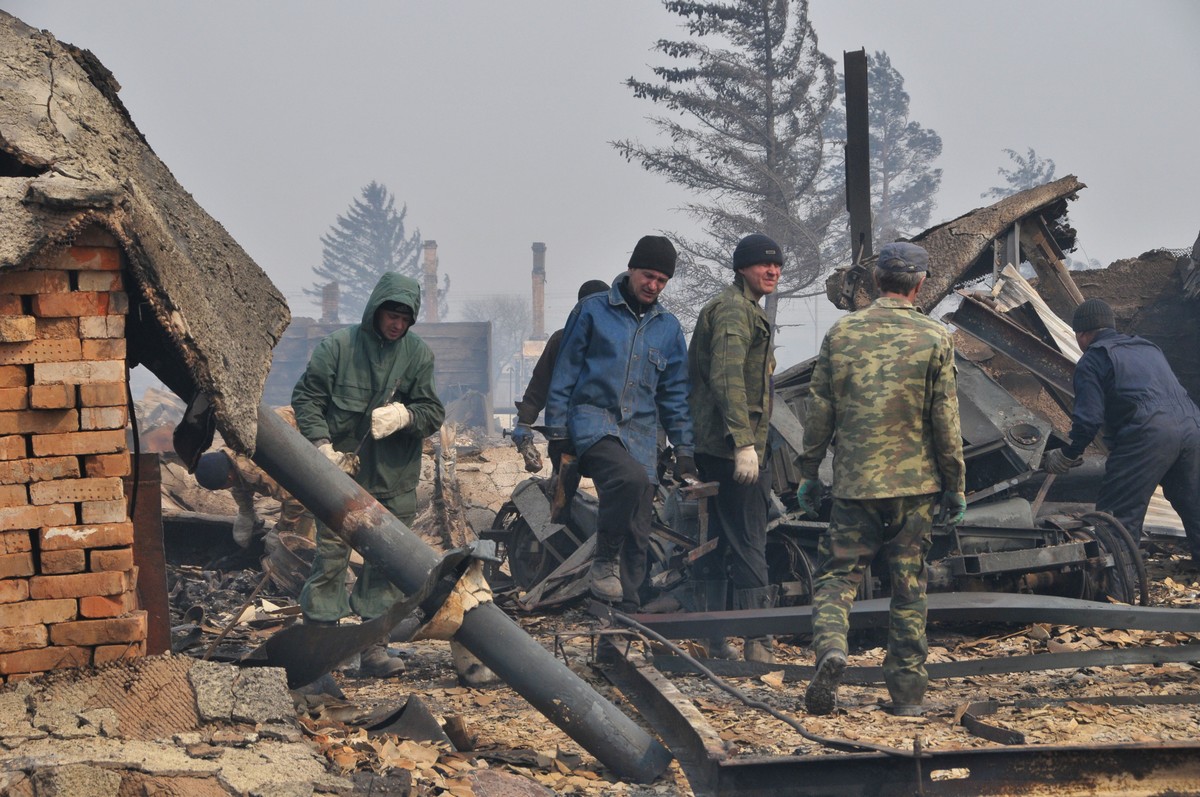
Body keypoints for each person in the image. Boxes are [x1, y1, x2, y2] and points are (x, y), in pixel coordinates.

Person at [795, 241, 965, 717]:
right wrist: (956, 485)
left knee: (836, 579)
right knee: (910, 589)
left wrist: (809, 473)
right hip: (915, 489)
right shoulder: (935, 336)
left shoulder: (843, 333)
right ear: (921, 283)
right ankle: (908, 696)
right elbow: (945, 421)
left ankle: (831, 650)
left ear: (874, 282)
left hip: (854, 485)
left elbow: (819, 410)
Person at [291, 272, 446, 678]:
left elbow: (432, 412)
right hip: (340, 474)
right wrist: (322, 445)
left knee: (385, 564)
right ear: (375, 311)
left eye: (404, 318)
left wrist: (405, 415)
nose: (396, 324)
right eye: (391, 315)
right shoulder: (338, 348)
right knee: (329, 559)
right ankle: (319, 648)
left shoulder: (417, 356)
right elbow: (307, 397)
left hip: (394, 478)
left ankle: (373, 649)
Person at [544, 235, 696, 609]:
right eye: (648, 275)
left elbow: (674, 395)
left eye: (662, 280)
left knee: (639, 527)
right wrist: (559, 432)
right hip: (592, 424)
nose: (653, 285)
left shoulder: (669, 329)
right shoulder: (592, 311)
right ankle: (603, 560)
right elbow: (564, 374)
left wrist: (686, 447)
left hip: (641, 435)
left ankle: (624, 616)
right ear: (631, 269)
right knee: (627, 479)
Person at [1041, 298, 1200, 565]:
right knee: (1194, 503)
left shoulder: (1093, 359)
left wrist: (1069, 453)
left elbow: (1088, 420)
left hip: (1149, 433)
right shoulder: (1148, 347)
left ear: (1081, 334)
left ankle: (1116, 594)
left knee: (1117, 519)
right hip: (1193, 426)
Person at [687, 233, 782, 663]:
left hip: (720, 445)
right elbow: (727, 379)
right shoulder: (732, 311)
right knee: (748, 537)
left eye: (777, 265)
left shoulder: (744, 310)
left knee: (720, 540)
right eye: (764, 265)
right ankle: (758, 639)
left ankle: (715, 638)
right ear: (742, 267)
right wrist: (744, 443)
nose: (773, 271)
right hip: (730, 449)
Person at [511, 279, 611, 472]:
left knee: (610, 488)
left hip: (604, 432)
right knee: (563, 488)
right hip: (565, 433)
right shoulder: (561, 341)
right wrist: (524, 422)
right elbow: (540, 385)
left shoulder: (618, 345)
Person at [195, 406, 315, 547]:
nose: (225, 488)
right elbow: (239, 484)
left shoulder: (257, 471)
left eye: (223, 487)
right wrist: (246, 512)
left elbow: (297, 499)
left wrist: (281, 528)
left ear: (229, 478)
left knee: (301, 534)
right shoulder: (227, 456)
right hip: (287, 435)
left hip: (309, 431)